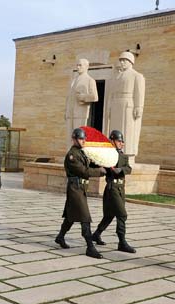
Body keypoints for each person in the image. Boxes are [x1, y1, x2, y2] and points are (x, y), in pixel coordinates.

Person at [55, 127, 106, 259]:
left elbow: (89, 165)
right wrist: (101, 172)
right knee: (85, 218)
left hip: (80, 189)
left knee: (71, 217)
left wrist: (101, 163)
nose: (83, 141)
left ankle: (60, 237)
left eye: (84, 139)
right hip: (75, 189)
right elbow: (83, 171)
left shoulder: (82, 153)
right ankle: (90, 247)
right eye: (81, 139)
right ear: (74, 139)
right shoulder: (72, 155)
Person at [92, 130, 136, 253]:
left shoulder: (123, 156)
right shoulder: (107, 155)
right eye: (119, 140)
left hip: (121, 189)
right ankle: (122, 242)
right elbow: (98, 166)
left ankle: (96, 234)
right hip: (112, 189)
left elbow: (129, 168)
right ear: (112, 141)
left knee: (109, 215)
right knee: (122, 215)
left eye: (122, 141)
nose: (121, 143)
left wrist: (120, 170)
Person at [104, 52, 145, 157]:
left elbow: (139, 93)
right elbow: (111, 93)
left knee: (128, 131)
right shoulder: (116, 76)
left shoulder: (136, 76)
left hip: (127, 105)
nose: (122, 62)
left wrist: (139, 107)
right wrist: (109, 107)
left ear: (131, 62)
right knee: (115, 129)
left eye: (124, 60)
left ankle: (127, 152)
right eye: (121, 60)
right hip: (116, 104)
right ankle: (114, 149)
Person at [65, 58, 98, 140]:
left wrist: (83, 97)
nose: (78, 67)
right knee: (70, 137)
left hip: (80, 113)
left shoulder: (90, 80)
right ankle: (70, 152)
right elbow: (69, 97)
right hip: (70, 113)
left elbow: (94, 97)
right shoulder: (74, 80)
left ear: (87, 67)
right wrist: (66, 110)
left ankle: (77, 152)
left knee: (79, 136)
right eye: (77, 65)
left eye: (80, 65)